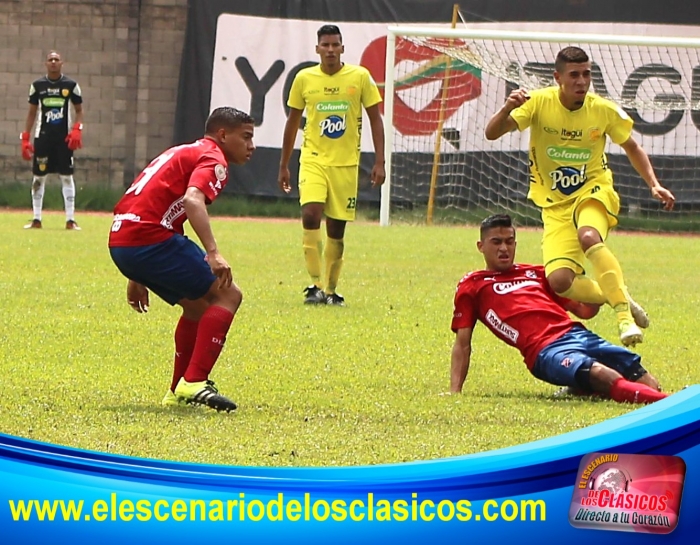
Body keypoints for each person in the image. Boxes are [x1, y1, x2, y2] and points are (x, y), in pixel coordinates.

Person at [484, 46, 676, 347]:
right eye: (574, 75)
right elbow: (492, 133)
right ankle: (618, 294)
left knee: (589, 236)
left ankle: (624, 318)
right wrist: (507, 108)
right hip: (554, 205)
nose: (582, 81)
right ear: (557, 77)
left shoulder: (602, 110)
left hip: (594, 192)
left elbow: (633, 147)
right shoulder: (538, 104)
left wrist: (654, 184)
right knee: (559, 281)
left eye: (586, 74)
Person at [108, 107, 255, 412]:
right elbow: (191, 201)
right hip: (147, 238)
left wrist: (136, 274)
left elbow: (144, 202)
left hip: (122, 240)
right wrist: (213, 252)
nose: (251, 145)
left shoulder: (181, 151)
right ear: (223, 135)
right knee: (228, 294)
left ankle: (177, 391)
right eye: (246, 137)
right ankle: (195, 381)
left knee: (198, 306)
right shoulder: (213, 158)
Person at [449, 214, 668, 405]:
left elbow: (584, 312)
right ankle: (670, 404)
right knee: (603, 375)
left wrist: (604, 293)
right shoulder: (473, 284)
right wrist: (455, 391)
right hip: (545, 351)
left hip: (578, 334)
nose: (504, 248)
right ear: (481, 246)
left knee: (645, 380)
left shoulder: (538, 273)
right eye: (496, 242)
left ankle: (585, 388)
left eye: (509, 241)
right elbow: (462, 343)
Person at [278, 24, 386, 306]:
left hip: (346, 164)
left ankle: (330, 289)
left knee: (336, 229)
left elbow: (375, 118)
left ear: (342, 48)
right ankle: (314, 285)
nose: (329, 50)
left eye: (334, 45)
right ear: (317, 49)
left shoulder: (360, 77)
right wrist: (284, 164)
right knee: (311, 215)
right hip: (313, 160)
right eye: (324, 45)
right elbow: (292, 122)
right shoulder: (304, 79)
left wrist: (379, 161)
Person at [21, 50, 84, 230]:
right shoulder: (37, 86)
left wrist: (77, 129)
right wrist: (25, 137)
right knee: (39, 177)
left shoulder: (71, 85)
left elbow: (79, 110)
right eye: (50, 60)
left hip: (64, 140)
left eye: (56, 59)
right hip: (43, 139)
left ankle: (70, 220)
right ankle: (36, 218)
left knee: (66, 177)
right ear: (46, 64)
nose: (54, 62)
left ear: (61, 63)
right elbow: (32, 112)